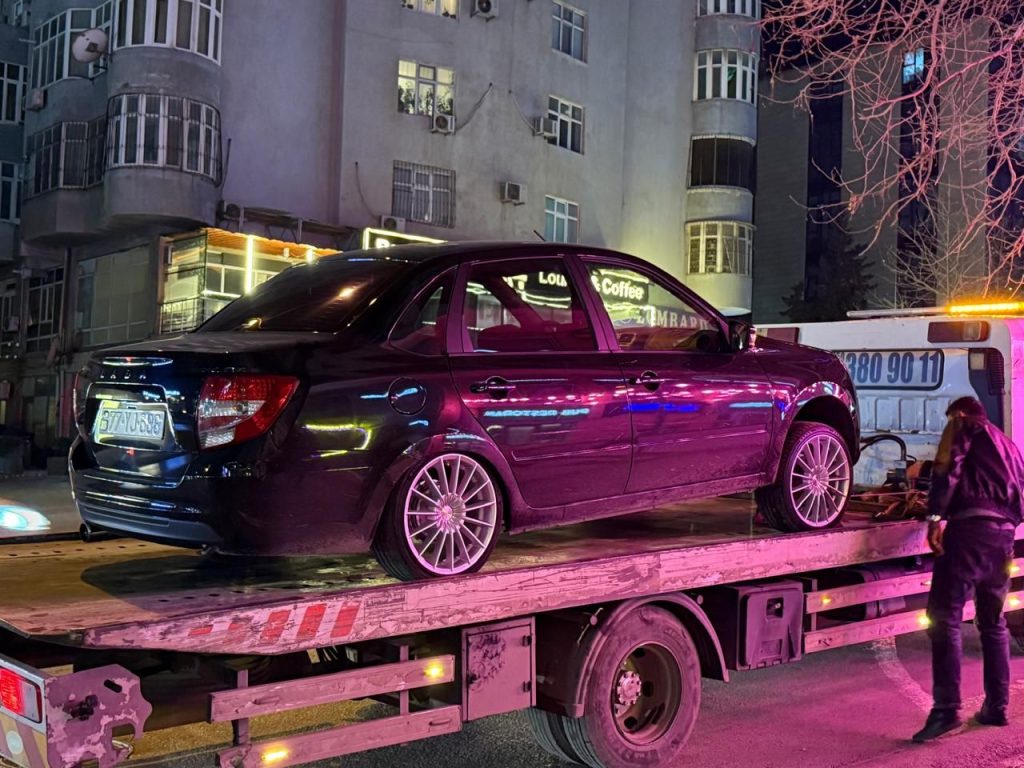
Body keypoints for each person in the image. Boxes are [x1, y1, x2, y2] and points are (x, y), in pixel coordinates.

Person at [912, 396, 1024, 743]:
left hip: (970, 531)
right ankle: (997, 707)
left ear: (959, 413)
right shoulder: (1009, 445)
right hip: (1004, 536)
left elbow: (948, 467)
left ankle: (946, 710)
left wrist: (935, 516)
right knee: (993, 621)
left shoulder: (964, 426)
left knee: (943, 616)